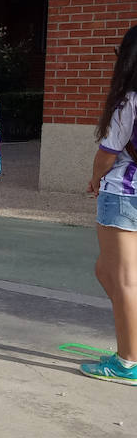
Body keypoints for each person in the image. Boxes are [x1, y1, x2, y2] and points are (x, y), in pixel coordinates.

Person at [82, 23, 137, 385]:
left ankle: (127, 360)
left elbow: (107, 154)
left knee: (122, 279)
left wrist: (94, 179)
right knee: (108, 272)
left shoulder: (129, 101)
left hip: (123, 195)